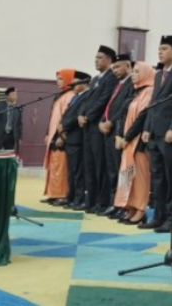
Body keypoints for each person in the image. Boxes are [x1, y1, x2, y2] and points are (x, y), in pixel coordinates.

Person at [139, 35, 172, 233]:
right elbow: (153, 102)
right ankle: (159, 216)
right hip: (155, 132)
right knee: (158, 178)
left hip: (169, 133)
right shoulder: (158, 74)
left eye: (164, 49)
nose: (160, 52)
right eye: (159, 49)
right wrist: (147, 127)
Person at [114, 62, 155, 225]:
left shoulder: (150, 91)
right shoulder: (135, 91)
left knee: (140, 177)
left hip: (138, 142)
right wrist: (119, 135)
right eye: (133, 71)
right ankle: (129, 205)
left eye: (137, 71)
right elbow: (122, 114)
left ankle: (140, 209)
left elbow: (142, 117)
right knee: (127, 174)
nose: (133, 74)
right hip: (127, 141)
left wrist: (127, 137)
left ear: (145, 73)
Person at [79, 46, 119, 214]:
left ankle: (102, 202)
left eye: (100, 58)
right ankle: (91, 201)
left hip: (97, 127)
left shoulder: (111, 78)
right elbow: (87, 99)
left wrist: (88, 116)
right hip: (87, 127)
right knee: (89, 166)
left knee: (100, 167)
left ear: (109, 60)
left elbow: (103, 100)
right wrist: (81, 114)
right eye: (96, 58)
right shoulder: (95, 79)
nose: (96, 60)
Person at [98, 54, 134, 218]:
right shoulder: (117, 85)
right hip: (108, 133)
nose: (115, 71)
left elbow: (124, 108)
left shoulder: (131, 84)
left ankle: (125, 205)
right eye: (113, 68)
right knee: (112, 170)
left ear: (127, 66)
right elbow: (109, 106)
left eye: (118, 67)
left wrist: (111, 122)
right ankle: (115, 203)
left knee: (123, 170)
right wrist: (102, 122)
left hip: (120, 132)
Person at [41, 69, 76, 205]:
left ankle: (61, 194)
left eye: (61, 78)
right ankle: (53, 194)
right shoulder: (60, 95)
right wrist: (47, 134)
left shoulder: (70, 96)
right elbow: (53, 118)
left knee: (61, 167)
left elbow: (67, 118)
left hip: (61, 136)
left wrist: (61, 136)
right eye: (57, 78)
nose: (58, 81)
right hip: (53, 136)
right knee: (54, 166)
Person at [59, 72, 91, 210]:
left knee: (78, 171)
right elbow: (67, 114)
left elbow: (77, 116)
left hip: (77, 137)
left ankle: (79, 198)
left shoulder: (86, 96)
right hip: (69, 137)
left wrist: (64, 126)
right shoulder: (75, 97)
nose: (73, 85)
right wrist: (61, 127)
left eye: (76, 83)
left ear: (84, 84)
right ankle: (70, 197)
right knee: (71, 171)